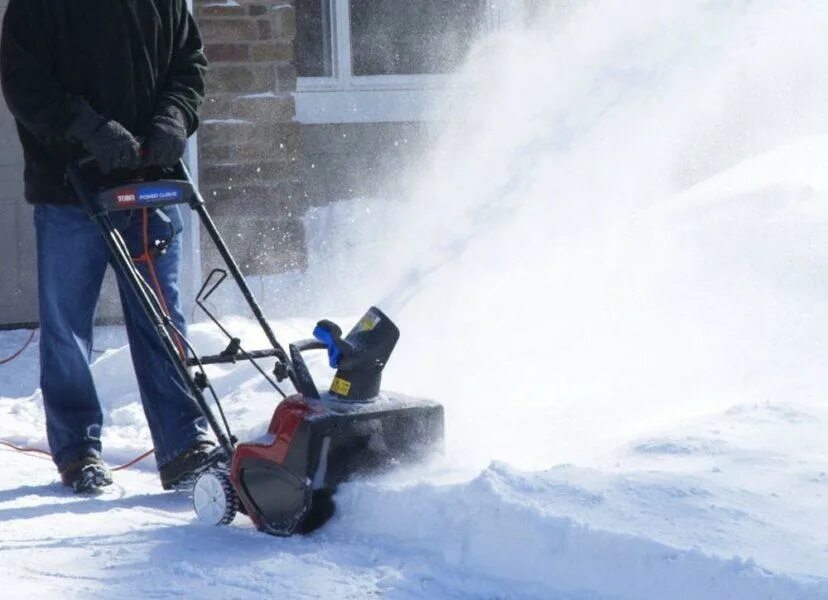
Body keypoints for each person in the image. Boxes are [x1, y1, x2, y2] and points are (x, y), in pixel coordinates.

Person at [0, 0, 215, 492]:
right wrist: (91, 130)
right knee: (67, 327)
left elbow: (190, 62)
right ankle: (77, 451)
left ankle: (185, 444)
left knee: (163, 320)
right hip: (70, 190)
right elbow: (25, 84)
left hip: (151, 183)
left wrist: (174, 119)